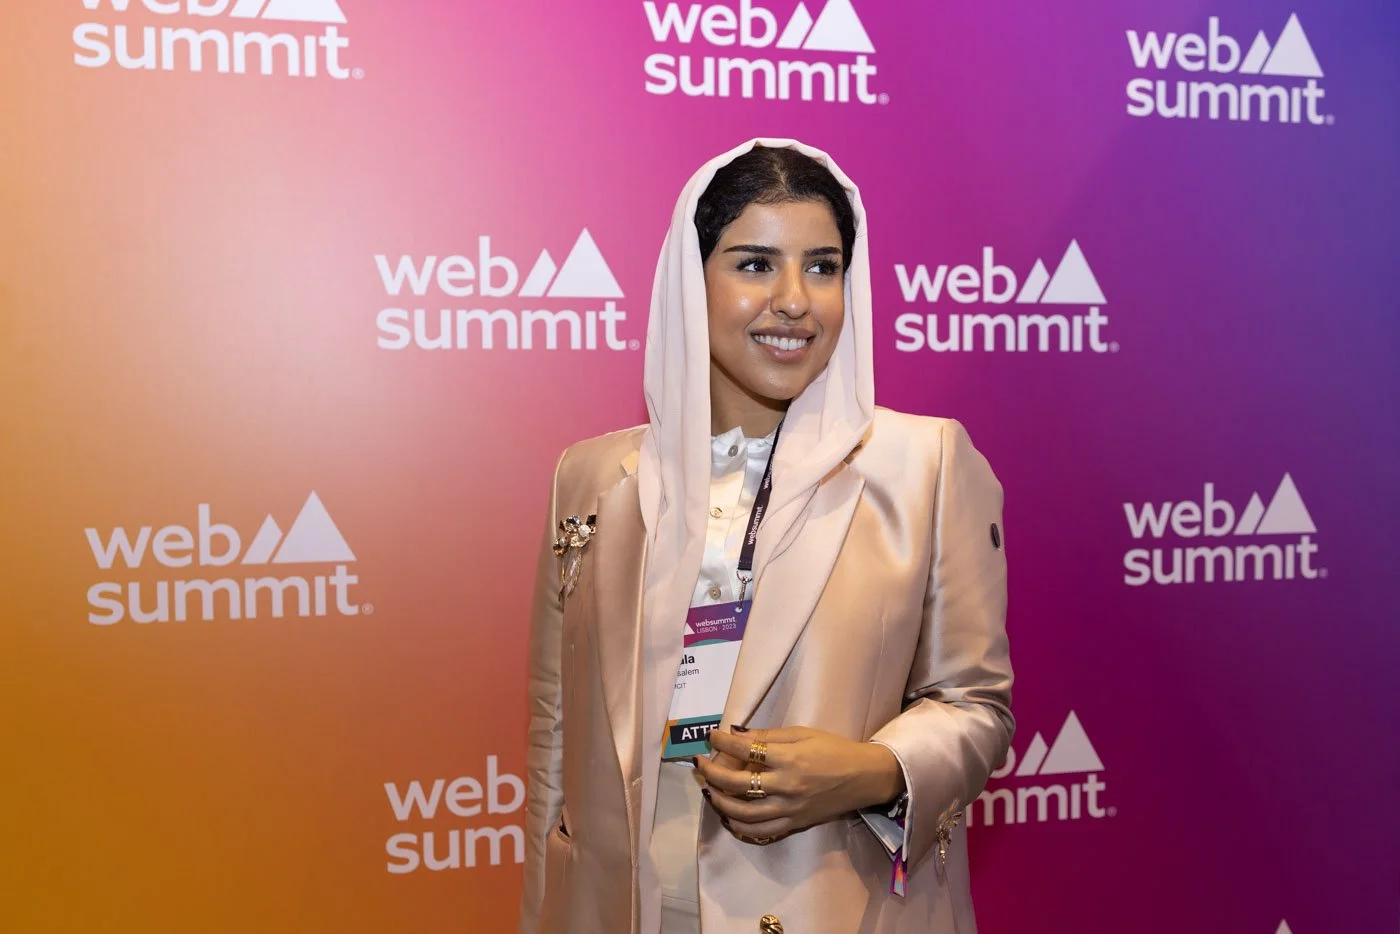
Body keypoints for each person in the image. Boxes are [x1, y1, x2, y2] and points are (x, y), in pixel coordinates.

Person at [519, 138, 1013, 934]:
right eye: (754, 265)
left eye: (822, 267)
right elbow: (555, 740)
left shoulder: (924, 465)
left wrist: (873, 769)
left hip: (831, 905)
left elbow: (976, 704)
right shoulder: (591, 477)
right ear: (691, 279)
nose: (795, 299)